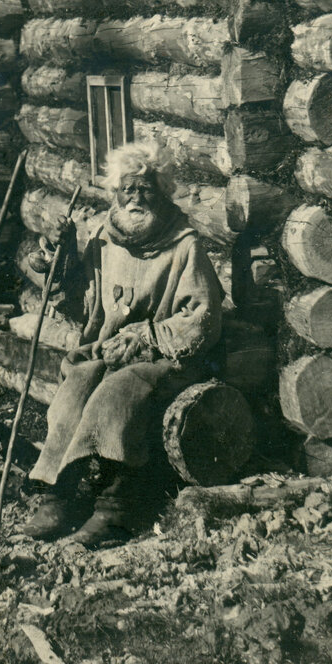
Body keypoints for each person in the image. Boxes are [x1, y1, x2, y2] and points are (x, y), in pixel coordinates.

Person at [25, 141, 223, 548]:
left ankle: (116, 509)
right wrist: (56, 254)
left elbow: (201, 317)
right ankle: (59, 495)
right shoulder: (104, 236)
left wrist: (145, 336)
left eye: (145, 188)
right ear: (114, 192)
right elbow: (79, 294)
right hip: (107, 349)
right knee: (75, 389)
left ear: (162, 191)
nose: (135, 198)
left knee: (116, 396)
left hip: (163, 357)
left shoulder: (184, 244)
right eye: (127, 189)